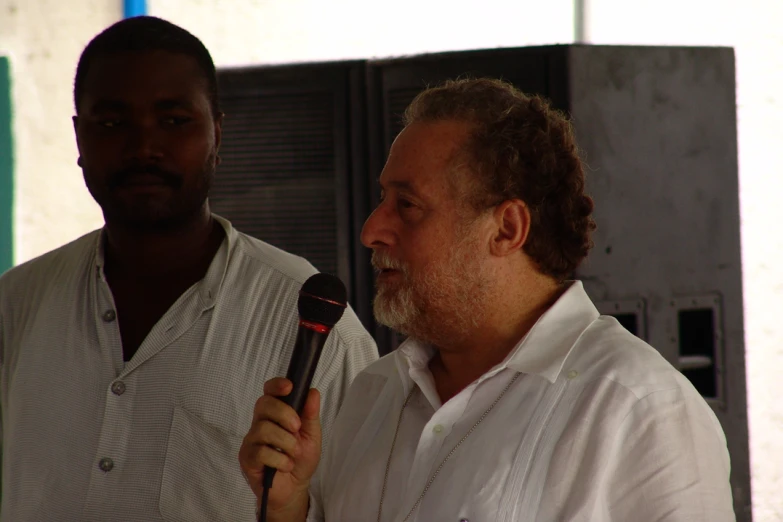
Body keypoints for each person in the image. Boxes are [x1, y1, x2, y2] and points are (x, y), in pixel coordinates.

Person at [239, 77, 736, 521]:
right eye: (381, 199)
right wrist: (288, 506)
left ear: (507, 228)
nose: (372, 230)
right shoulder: (373, 393)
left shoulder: (638, 408)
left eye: (407, 206)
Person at [0, 16, 377, 522]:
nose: (143, 148)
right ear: (78, 139)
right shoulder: (14, 306)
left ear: (217, 133)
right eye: (112, 123)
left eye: (174, 120)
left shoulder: (310, 327)